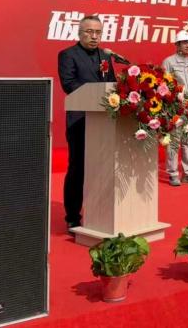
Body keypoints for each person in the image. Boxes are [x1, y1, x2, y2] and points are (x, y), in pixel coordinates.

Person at [57, 14, 116, 230]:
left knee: (103, 167)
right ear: (80, 33)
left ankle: (100, 214)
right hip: (80, 120)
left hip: (104, 121)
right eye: (89, 32)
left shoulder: (105, 56)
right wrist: (98, 95)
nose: (94, 36)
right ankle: (73, 216)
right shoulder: (67, 55)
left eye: (98, 32)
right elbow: (69, 84)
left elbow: (112, 84)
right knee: (78, 167)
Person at [162, 30, 188, 186]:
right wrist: (169, 107)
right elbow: (164, 86)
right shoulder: (169, 62)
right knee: (174, 140)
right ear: (177, 45)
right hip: (176, 108)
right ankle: (173, 173)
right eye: (184, 43)